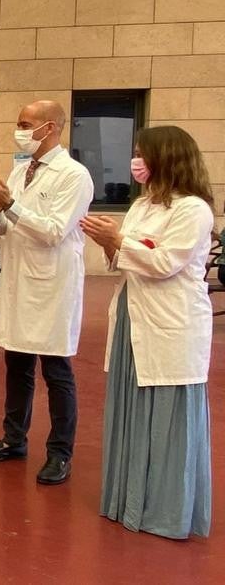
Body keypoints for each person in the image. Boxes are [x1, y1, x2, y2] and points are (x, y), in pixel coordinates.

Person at [82, 126, 214, 540]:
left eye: (142, 154)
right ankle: (128, 501)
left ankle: (165, 510)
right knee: (132, 408)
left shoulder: (194, 210)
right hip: (133, 316)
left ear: (167, 158)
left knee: (167, 415)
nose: (135, 161)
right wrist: (109, 243)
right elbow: (124, 260)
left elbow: (166, 263)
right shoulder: (142, 205)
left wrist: (117, 239)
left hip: (171, 322)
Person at [0, 101, 94, 485]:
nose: (19, 130)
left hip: (52, 283)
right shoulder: (21, 169)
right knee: (17, 363)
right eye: (19, 122)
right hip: (19, 279)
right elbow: (3, 228)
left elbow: (54, 230)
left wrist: (10, 206)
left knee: (56, 369)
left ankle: (60, 452)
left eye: (26, 124)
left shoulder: (74, 176)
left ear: (52, 128)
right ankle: (13, 439)